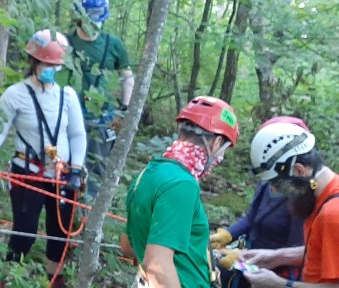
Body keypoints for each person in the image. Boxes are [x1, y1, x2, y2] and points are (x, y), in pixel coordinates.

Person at [0, 29, 87, 287]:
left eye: (55, 65)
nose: (51, 69)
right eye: (47, 64)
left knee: (60, 235)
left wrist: (77, 171)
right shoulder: (16, 94)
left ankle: (54, 280)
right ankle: (9, 277)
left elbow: (77, 134)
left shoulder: (67, 96)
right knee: (24, 232)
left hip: (63, 175)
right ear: (34, 62)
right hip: (29, 172)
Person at [121, 96, 239, 287]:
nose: (221, 157)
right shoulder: (182, 185)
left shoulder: (148, 173)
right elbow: (158, 263)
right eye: (223, 149)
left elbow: (128, 246)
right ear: (216, 143)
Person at [210, 117, 309, 287]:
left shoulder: (301, 196)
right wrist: (228, 235)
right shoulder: (267, 183)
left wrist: (246, 256)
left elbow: (296, 249)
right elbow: (251, 218)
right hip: (249, 263)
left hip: (273, 275)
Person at [241, 122, 339, 287]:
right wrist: (276, 257)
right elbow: (323, 251)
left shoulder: (333, 213)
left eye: (278, 185)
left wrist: (280, 284)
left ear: (299, 171)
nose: (277, 191)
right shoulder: (324, 196)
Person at [68, 0, 134, 201]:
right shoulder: (65, 41)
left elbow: (126, 77)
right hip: (68, 115)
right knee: (66, 166)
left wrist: (125, 109)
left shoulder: (113, 44)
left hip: (101, 119)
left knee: (97, 170)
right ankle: (66, 211)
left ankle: (88, 215)